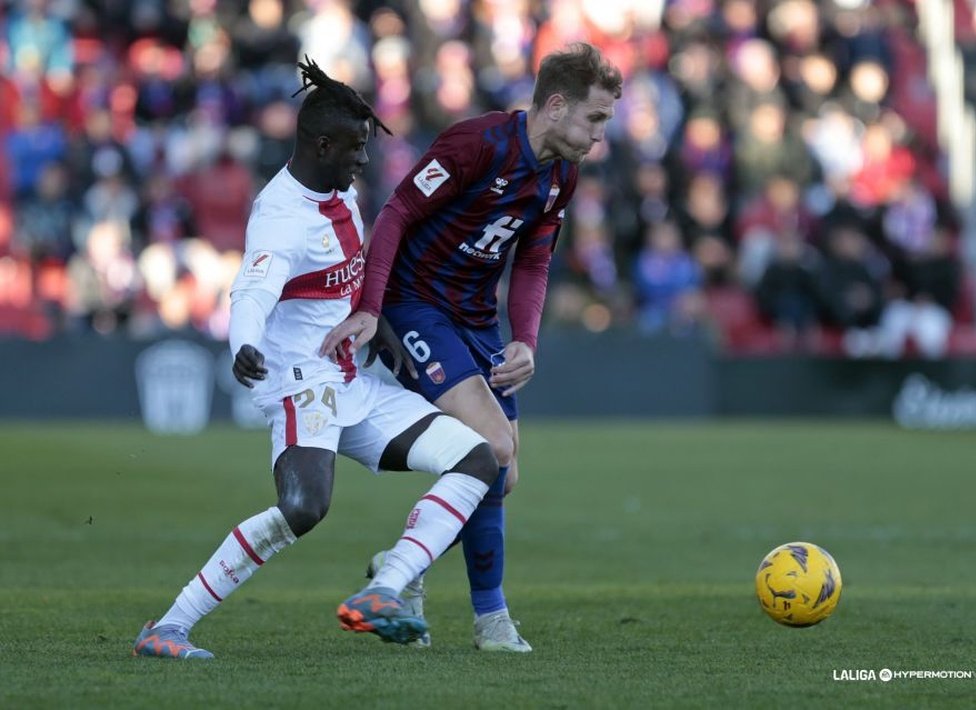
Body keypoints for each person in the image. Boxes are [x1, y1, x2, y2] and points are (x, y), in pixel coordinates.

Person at [132, 58, 499, 659]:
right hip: (302, 381)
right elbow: (251, 291)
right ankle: (168, 628)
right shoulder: (282, 219)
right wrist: (242, 343)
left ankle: (385, 589)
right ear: (322, 144)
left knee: (478, 459)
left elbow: (342, 278)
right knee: (304, 507)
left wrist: (370, 321)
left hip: (353, 381)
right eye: (356, 147)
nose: (364, 158)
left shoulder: (339, 191)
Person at [320, 43, 622, 652]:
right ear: (556, 106)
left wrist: (527, 340)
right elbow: (396, 214)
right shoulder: (475, 143)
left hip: (476, 320)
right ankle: (491, 619)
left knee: (499, 476)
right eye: (595, 118)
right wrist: (372, 309)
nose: (598, 135)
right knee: (496, 446)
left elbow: (534, 261)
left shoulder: (561, 174)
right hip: (414, 308)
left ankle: (403, 567)